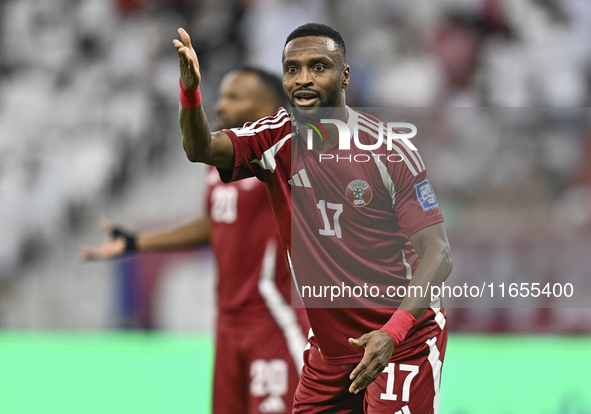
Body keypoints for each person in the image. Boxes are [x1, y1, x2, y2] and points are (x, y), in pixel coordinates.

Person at [173, 22, 453, 414]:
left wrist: (393, 333)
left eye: (318, 66)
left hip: (401, 341)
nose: (303, 79)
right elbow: (200, 148)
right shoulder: (275, 139)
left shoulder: (389, 152)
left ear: (345, 75)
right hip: (329, 352)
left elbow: (439, 254)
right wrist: (190, 92)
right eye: (293, 69)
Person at [81, 67, 309, 414]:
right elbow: (215, 221)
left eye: (234, 97)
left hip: (274, 321)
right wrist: (138, 243)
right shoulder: (221, 164)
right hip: (228, 326)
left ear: (268, 107)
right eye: (220, 96)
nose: (221, 106)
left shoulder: (285, 158)